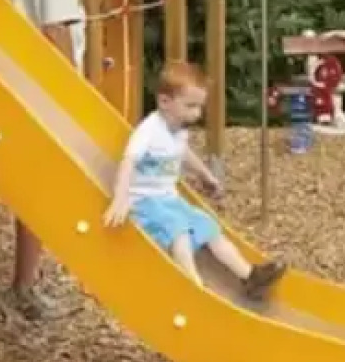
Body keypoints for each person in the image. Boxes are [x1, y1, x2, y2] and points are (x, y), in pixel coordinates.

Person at [0, 0, 87, 320]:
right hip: (45, 79)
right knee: (43, 186)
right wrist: (71, 90)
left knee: (33, 181)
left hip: (14, 66)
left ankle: (26, 280)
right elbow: (56, 24)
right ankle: (25, 287)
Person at [104, 62, 287, 299]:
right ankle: (194, 287)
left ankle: (249, 276)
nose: (197, 113)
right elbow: (128, 161)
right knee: (178, 230)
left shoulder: (178, 129)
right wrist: (120, 199)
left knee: (208, 226)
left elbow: (184, 153)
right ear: (164, 102)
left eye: (199, 106)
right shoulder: (148, 130)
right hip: (144, 202)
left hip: (169, 199)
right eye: (190, 106)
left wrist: (206, 175)